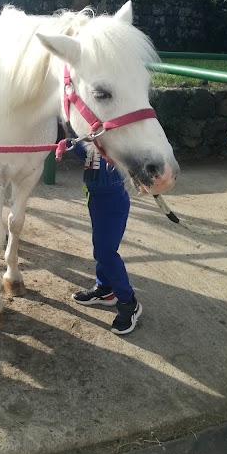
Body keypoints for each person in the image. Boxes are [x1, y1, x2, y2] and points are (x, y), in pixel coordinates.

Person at [70, 141, 142, 335]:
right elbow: (86, 155)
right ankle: (105, 289)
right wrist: (69, 141)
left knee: (106, 252)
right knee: (100, 249)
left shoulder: (112, 136)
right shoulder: (92, 137)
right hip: (96, 199)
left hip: (112, 201)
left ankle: (129, 303)